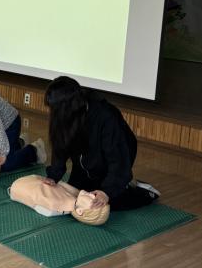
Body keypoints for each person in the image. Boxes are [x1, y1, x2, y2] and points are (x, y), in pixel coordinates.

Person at [43, 76, 160, 211]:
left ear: (67, 107)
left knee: (105, 204)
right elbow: (60, 146)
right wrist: (53, 176)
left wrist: (106, 192)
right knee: (75, 198)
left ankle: (144, 192)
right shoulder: (66, 115)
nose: (52, 113)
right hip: (85, 162)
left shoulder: (106, 116)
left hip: (114, 158)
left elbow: (118, 159)